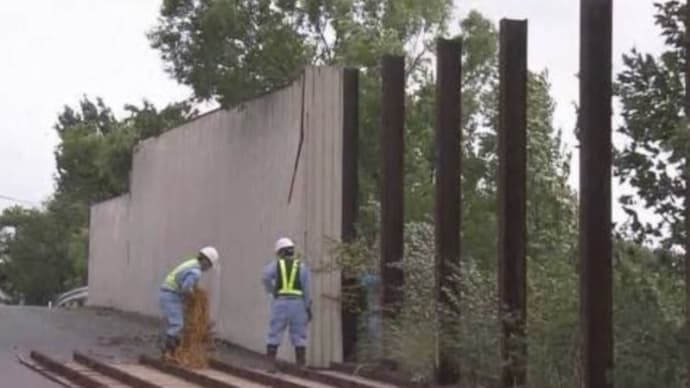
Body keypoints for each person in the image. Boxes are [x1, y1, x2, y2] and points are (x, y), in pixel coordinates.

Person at [159, 246, 219, 358]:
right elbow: (186, 288)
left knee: (176, 322)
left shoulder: (191, 263)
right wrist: (193, 298)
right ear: (206, 262)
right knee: (177, 324)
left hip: (168, 293)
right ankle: (168, 350)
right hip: (171, 295)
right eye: (210, 266)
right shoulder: (195, 272)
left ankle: (173, 349)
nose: (208, 269)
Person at [262, 237, 312, 371]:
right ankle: (301, 364)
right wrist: (308, 308)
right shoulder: (302, 267)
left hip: (281, 303)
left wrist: (273, 291)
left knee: (275, 332)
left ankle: (270, 364)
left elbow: (265, 277)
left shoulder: (275, 265)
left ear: (280, 252)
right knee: (299, 334)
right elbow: (306, 290)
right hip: (298, 304)